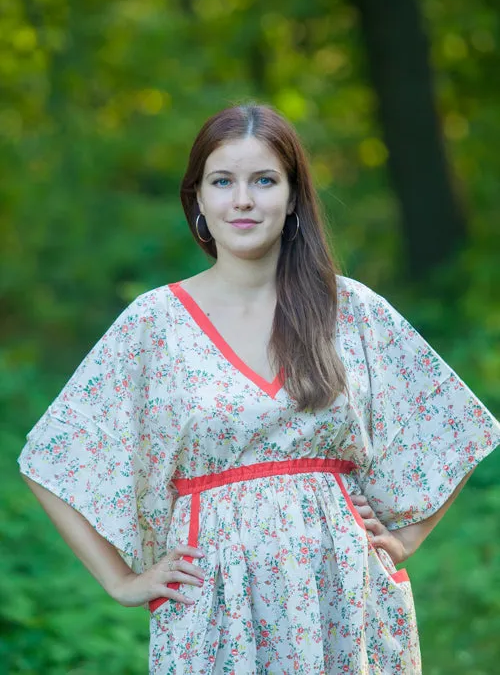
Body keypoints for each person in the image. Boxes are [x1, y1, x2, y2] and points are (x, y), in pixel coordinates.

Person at [18, 102, 500, 674]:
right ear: (198, 198)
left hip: (345, 599)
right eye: (223, 182)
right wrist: (122, 580)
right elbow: (52, 456)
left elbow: (457, 424)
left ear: (293, 197)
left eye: (264, 180)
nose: (242, 200)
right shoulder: (155, 324)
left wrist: (407, 538)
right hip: (213, 610)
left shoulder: (349, 309)